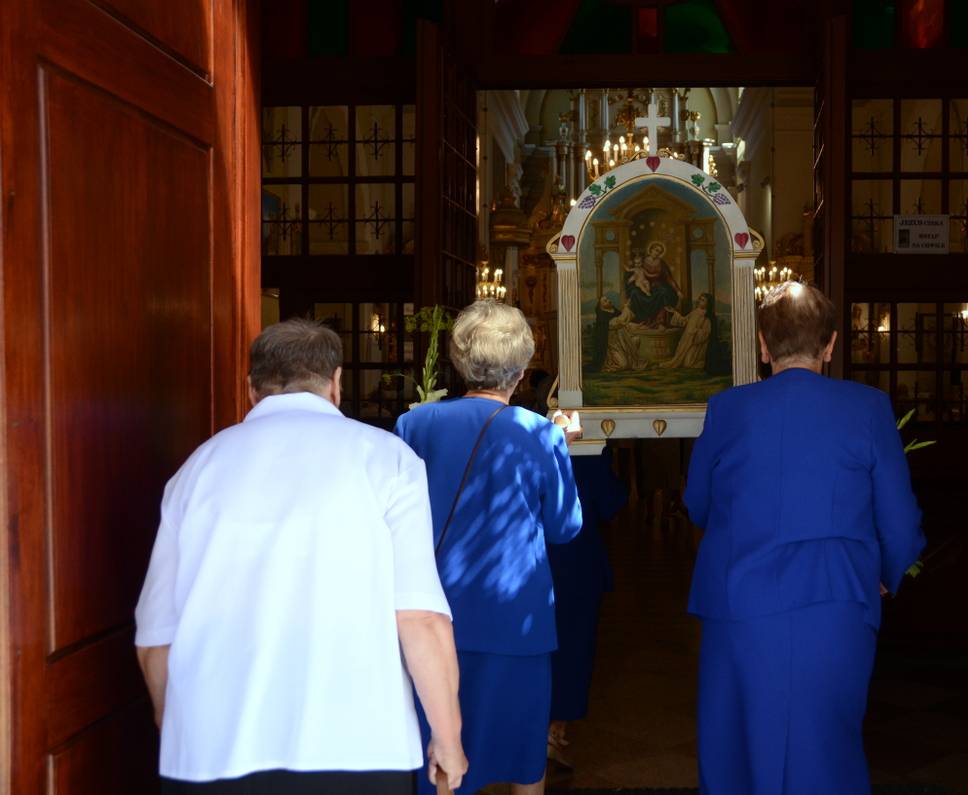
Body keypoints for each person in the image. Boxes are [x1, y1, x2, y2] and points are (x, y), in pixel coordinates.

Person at [134, 319, 467, 794]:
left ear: (251, 389)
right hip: (360, 744)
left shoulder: (196, 471)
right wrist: (448, 737)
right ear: (336, 383)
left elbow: (156, 639)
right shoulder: (387, 460)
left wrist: (181, 732)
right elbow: (420, 619)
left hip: (213, 751)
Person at [685, 282, 925, 795]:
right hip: (836, 605)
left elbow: (698, 504)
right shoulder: (868, 408)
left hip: (741, 604)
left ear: (764, 346)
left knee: (736, 751)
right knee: (826, 750)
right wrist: (882, 575)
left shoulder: (727, 409)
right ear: (831, 344)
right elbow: (901, 524)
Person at [395, 300, 583, 795]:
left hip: (433, 614)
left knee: (439, 757)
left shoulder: (414, 424)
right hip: (515, 620)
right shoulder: (541, 434)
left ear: (460, 361)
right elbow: (564, 526)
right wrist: (562, 449)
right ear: (520, 371)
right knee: (524, 758)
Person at [546, 445, 628, 766]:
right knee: (573, 650)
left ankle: (537, 729)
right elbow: (611, 502)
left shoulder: (527, 443)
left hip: (533, 562)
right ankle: (554, 729)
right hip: (578, 563)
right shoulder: (589, 452)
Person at [659, 293, 715, 370]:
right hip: (686, 339)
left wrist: (694, 331)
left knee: (688, 363)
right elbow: (684, 321)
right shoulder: (694, 312)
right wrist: (674, 312)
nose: (699, 301)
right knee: (682, 361)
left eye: (703, 300)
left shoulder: (707, 316)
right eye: (700, 299)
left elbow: (706, 333)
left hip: (696, 343)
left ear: (707, 304)